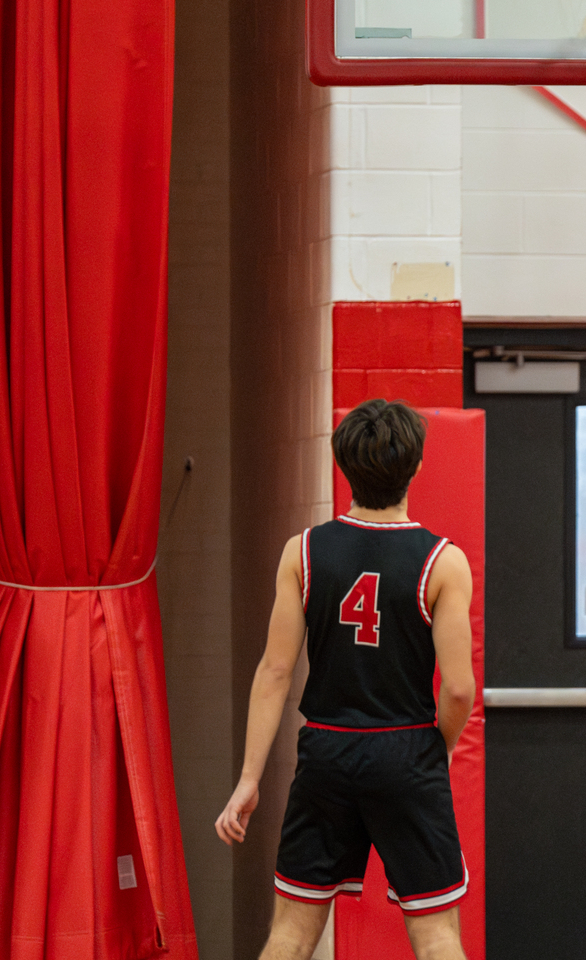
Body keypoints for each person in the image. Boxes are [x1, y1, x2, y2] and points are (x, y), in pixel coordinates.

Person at [215, 400, 477, 960]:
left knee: (291, 931)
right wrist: (438, 752)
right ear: (417, 465)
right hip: (406, 748)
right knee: (436, 935)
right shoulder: (443, 561)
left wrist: (248, 779)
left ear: (342, 465)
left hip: (327, 750)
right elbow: (457, 690)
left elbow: (276, 670)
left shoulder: (303, 552)